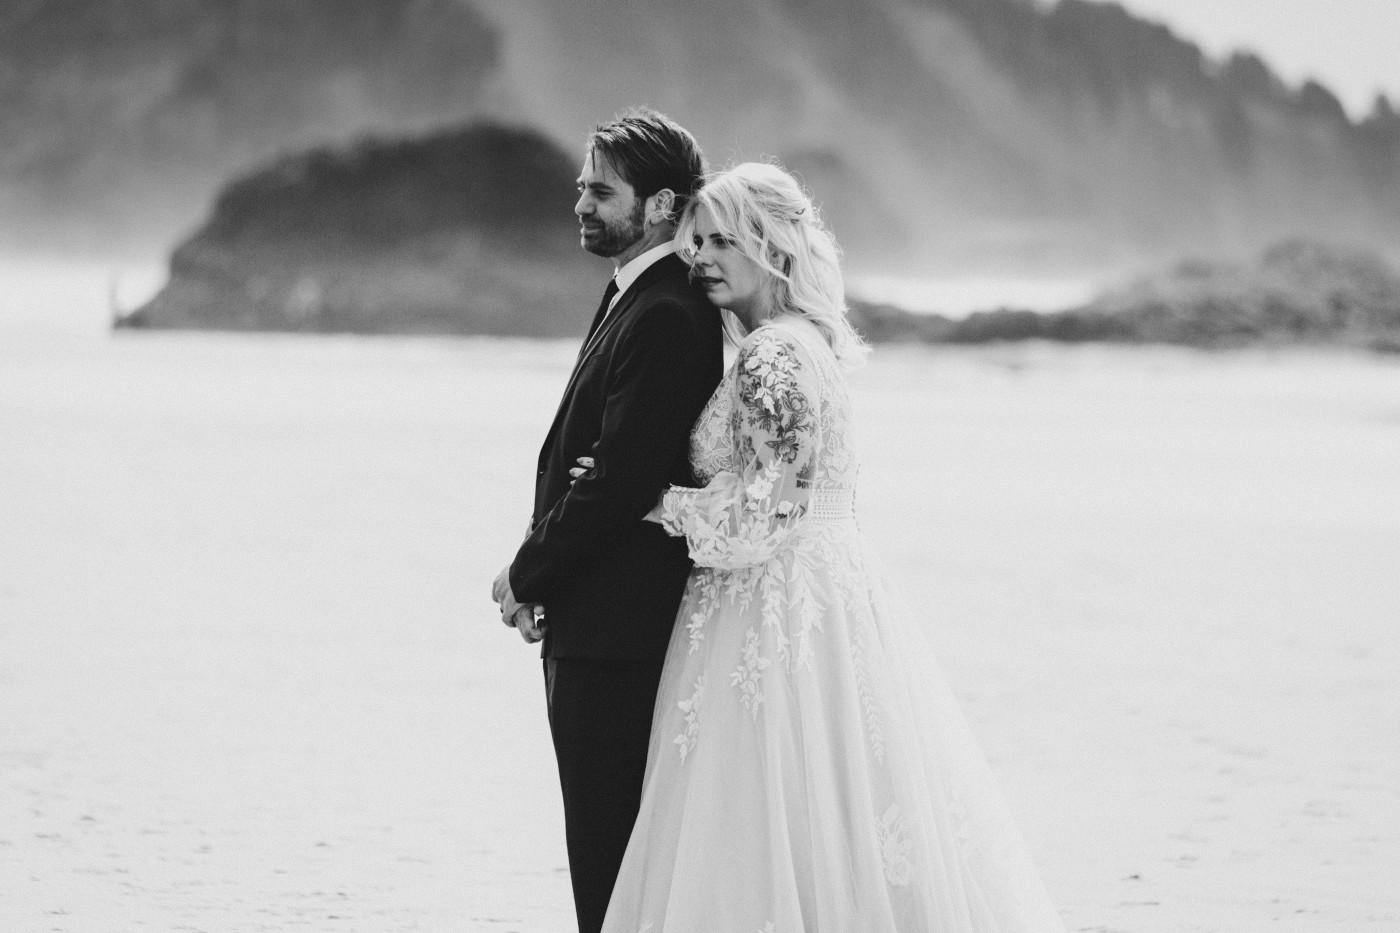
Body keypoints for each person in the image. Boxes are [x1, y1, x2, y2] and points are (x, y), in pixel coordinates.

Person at [592, 163, 1069, 932]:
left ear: (771, 245)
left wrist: (653, 502)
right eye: (698, 240)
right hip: (831, 595)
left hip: (772, 609)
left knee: (768, 813)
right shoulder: (807, 342)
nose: (702, 258)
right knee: (837, 815)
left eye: (724, 241)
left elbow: (762, 519)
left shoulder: (771, 357)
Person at [490, 109, 724, 933]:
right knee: (603, 855)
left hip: (619, 630)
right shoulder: (634, 293)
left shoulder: (667, 313)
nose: (581, 203)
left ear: (661, 205)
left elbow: (620, 479)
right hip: (592, 618)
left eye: (600, 189)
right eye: (582, 187)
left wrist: (525, 574)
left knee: (610, 856)